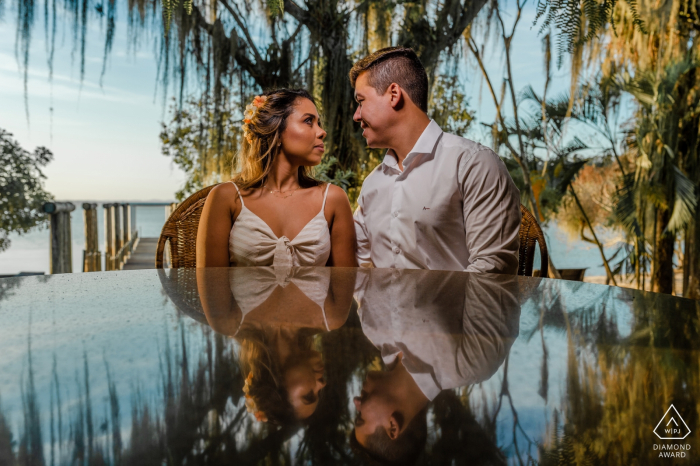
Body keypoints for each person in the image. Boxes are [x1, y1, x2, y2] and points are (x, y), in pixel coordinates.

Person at [350, 47, 522, 274]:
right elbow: (358, 270)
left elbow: (490, 270)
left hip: (457, 311)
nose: (356, 115)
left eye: (361, 101)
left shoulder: (474, 165)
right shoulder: (372, 184)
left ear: (394, 95)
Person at [350, 268, 521, 464]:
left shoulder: (372, 331)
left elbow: (358, 263)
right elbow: (495, 264)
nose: (356, 402)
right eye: (360, 417)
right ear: (393, 427)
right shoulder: (472, 362)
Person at [196, 89, 357, 268]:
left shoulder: (333, 199)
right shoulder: (225, 198)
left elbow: (345, 287)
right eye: (308, 121)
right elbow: (212, 289)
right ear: (277, 132)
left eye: (318, 123)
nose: (322, 132)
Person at [196, 266, 357, 425]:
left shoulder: (226, 319)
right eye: (318, 392)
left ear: (276, 387)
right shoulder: (333, 316)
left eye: (309, 395)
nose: (322, 384)